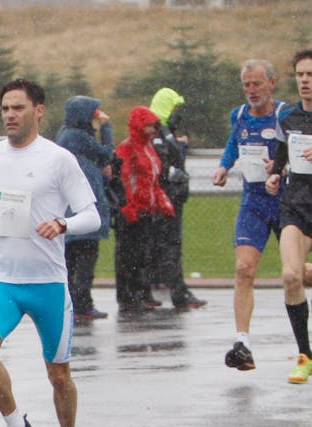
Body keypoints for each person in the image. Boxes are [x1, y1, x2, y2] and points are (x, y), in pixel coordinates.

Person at [0, 78, 101, 427]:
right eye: (5, 108)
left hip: (46, 282)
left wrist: (63, 223)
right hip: (1, 279)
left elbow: (92, 215)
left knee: (59, 375)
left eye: (18, 108)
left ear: (38, 110)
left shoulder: (58, 159)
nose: (10, 115)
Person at [213, 59, 304, 371]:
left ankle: (302, 346)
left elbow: (296, 151)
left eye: (257, 84)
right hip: (253, 200)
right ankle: (243, 344)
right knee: (243, 269)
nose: (251, 90)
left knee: (294, 273)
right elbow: (232, 144)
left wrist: (280, 166)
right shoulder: (238, 115)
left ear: (271, 83)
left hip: (285, 200)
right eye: (246, 85)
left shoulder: (286, 114)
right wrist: (224, 166)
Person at [266, 49, 312, 383]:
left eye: (311, 75)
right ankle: (304, 355)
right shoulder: (288, 119)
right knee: (292, 277)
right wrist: (274, 175)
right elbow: (280, 160)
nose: (306, 81)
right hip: (296, 204)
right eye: (301, 75)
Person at [148, 87, 207, 311]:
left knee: (169, 244)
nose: (177, 113)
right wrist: (176, 177)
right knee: (170, 245)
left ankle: (175, 289)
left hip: (171, 198)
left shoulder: (164, 131)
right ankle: (179, 293)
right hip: (166, 199)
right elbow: (163, 167)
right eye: (175, 108)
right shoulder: (157, 133)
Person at [56, 96, 114, 321]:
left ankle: (72, 302)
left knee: (71, 260)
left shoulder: (66, 135)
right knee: (85, 258)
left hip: (70, 210)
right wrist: (107, 128)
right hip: (83, 210)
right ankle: (82, 303)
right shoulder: (77, 136)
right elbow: (106, 154)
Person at [115, 106, 174, 314]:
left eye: (153, 126)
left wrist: (162, 202)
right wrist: (128, 206)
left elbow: (153, 180)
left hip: (147, 210)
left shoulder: (148, 148)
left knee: (144, 255)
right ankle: (128, 296)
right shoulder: (127, 148)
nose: (151, 130)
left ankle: (142, 292)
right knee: (128, 256)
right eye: (148, 125)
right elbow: (123, 179)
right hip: (132, 212)